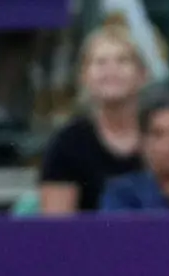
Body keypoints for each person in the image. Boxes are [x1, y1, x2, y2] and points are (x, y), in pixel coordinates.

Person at [36, 24, 147, 214]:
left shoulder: (163, 132)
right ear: (84, 76)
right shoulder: (67, 144)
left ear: (142, 74)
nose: (111, 70)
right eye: (100, 62)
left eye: (122, 61)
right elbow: (55, 230)